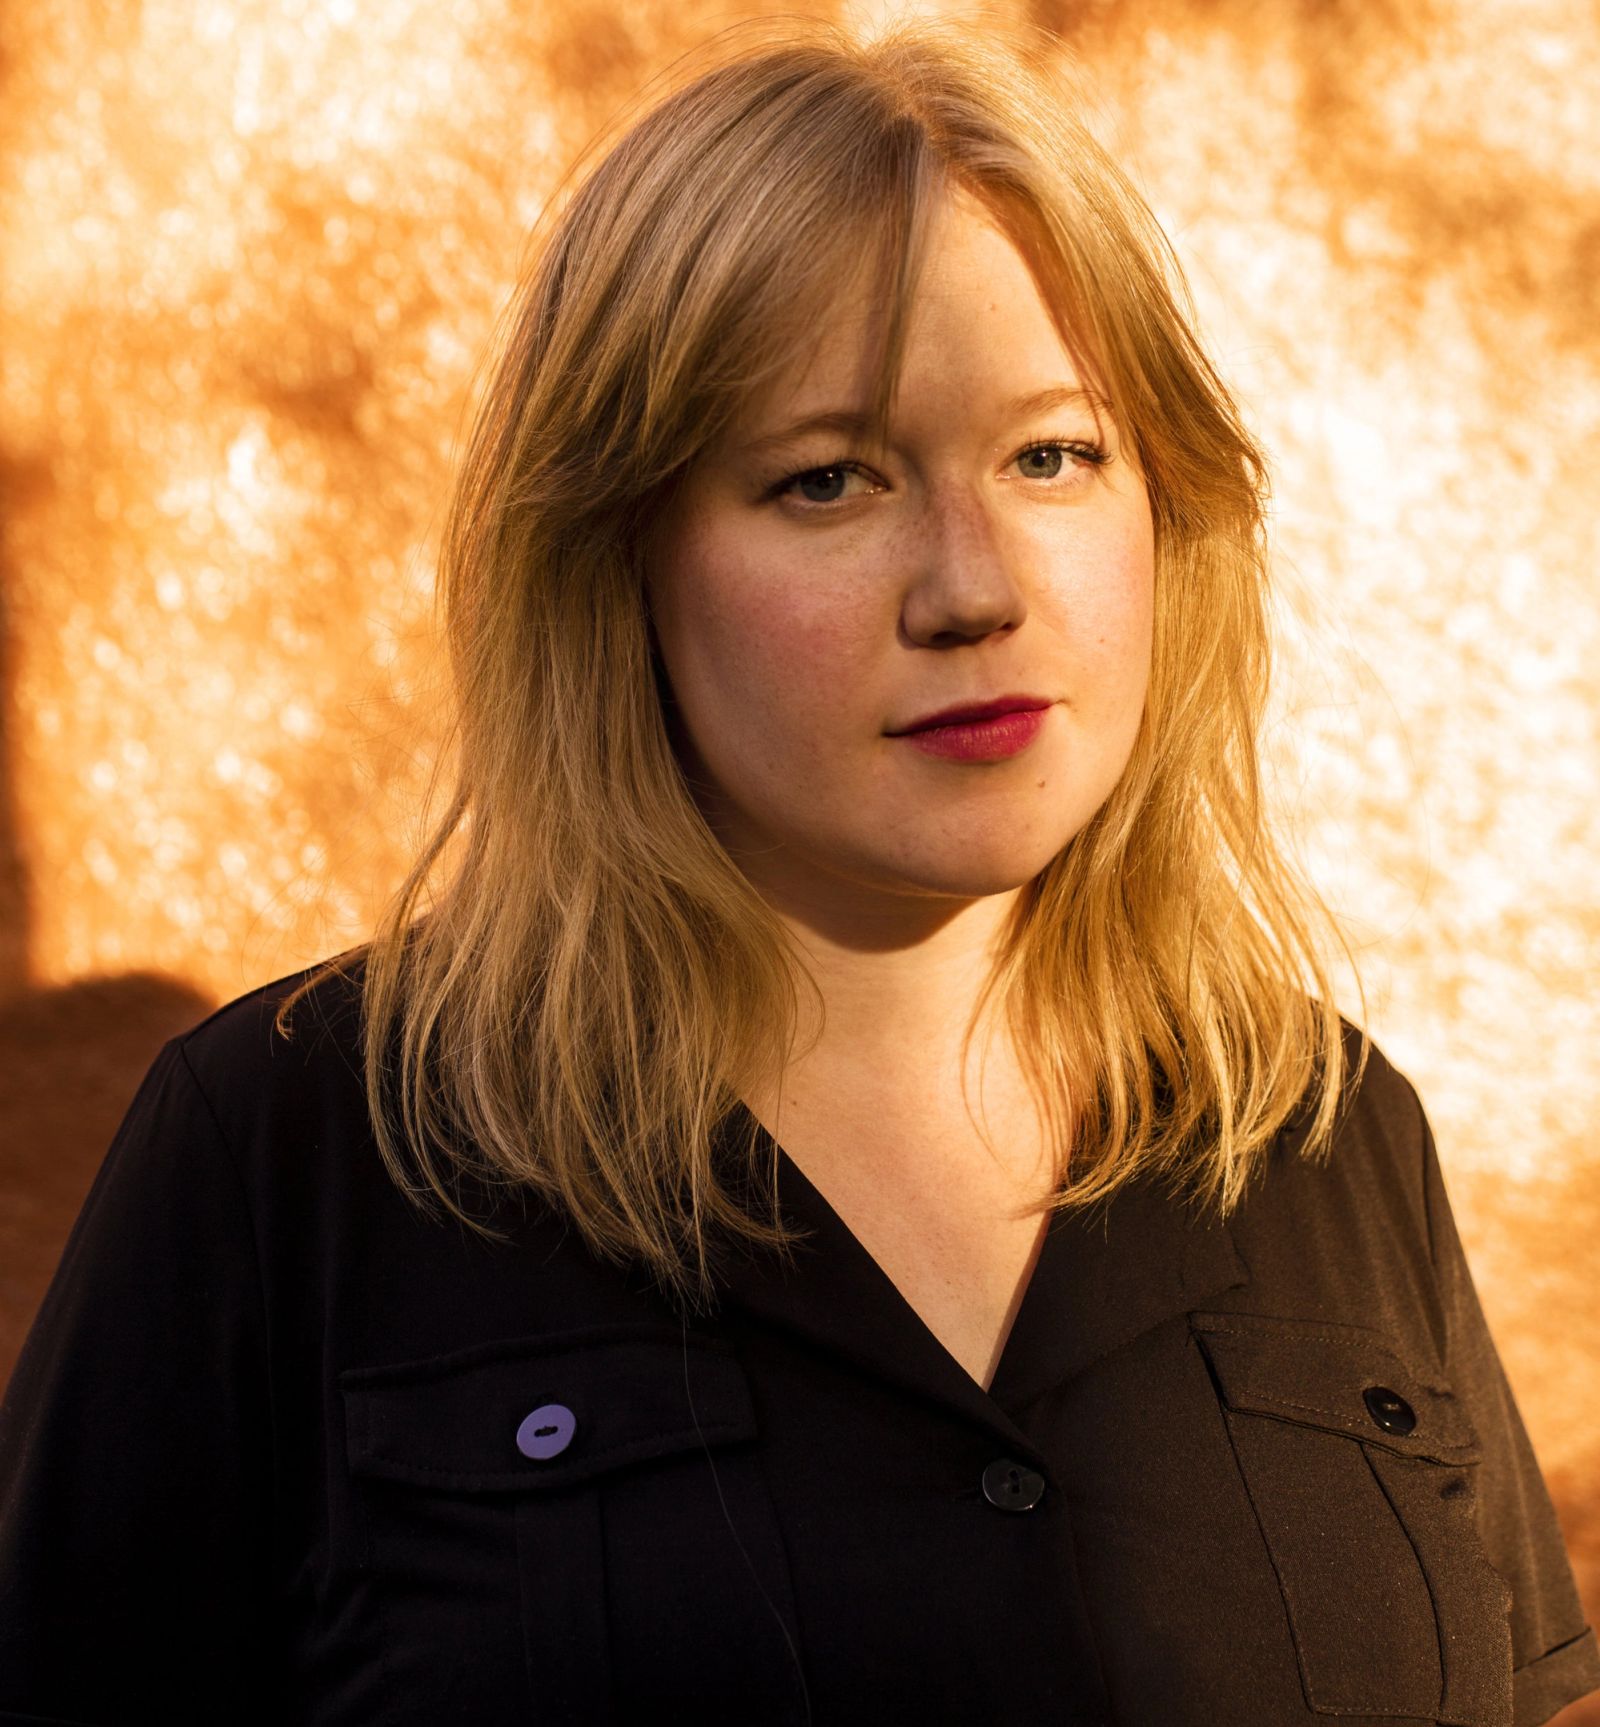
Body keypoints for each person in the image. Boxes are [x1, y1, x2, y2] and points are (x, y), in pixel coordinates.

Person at [1, 15, 1596, 1725]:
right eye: (828, 480)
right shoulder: (292, 1155)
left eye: (1054, 455)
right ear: (621, 563)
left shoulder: (1325, 1134)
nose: (974, 588)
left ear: (1166, 505)